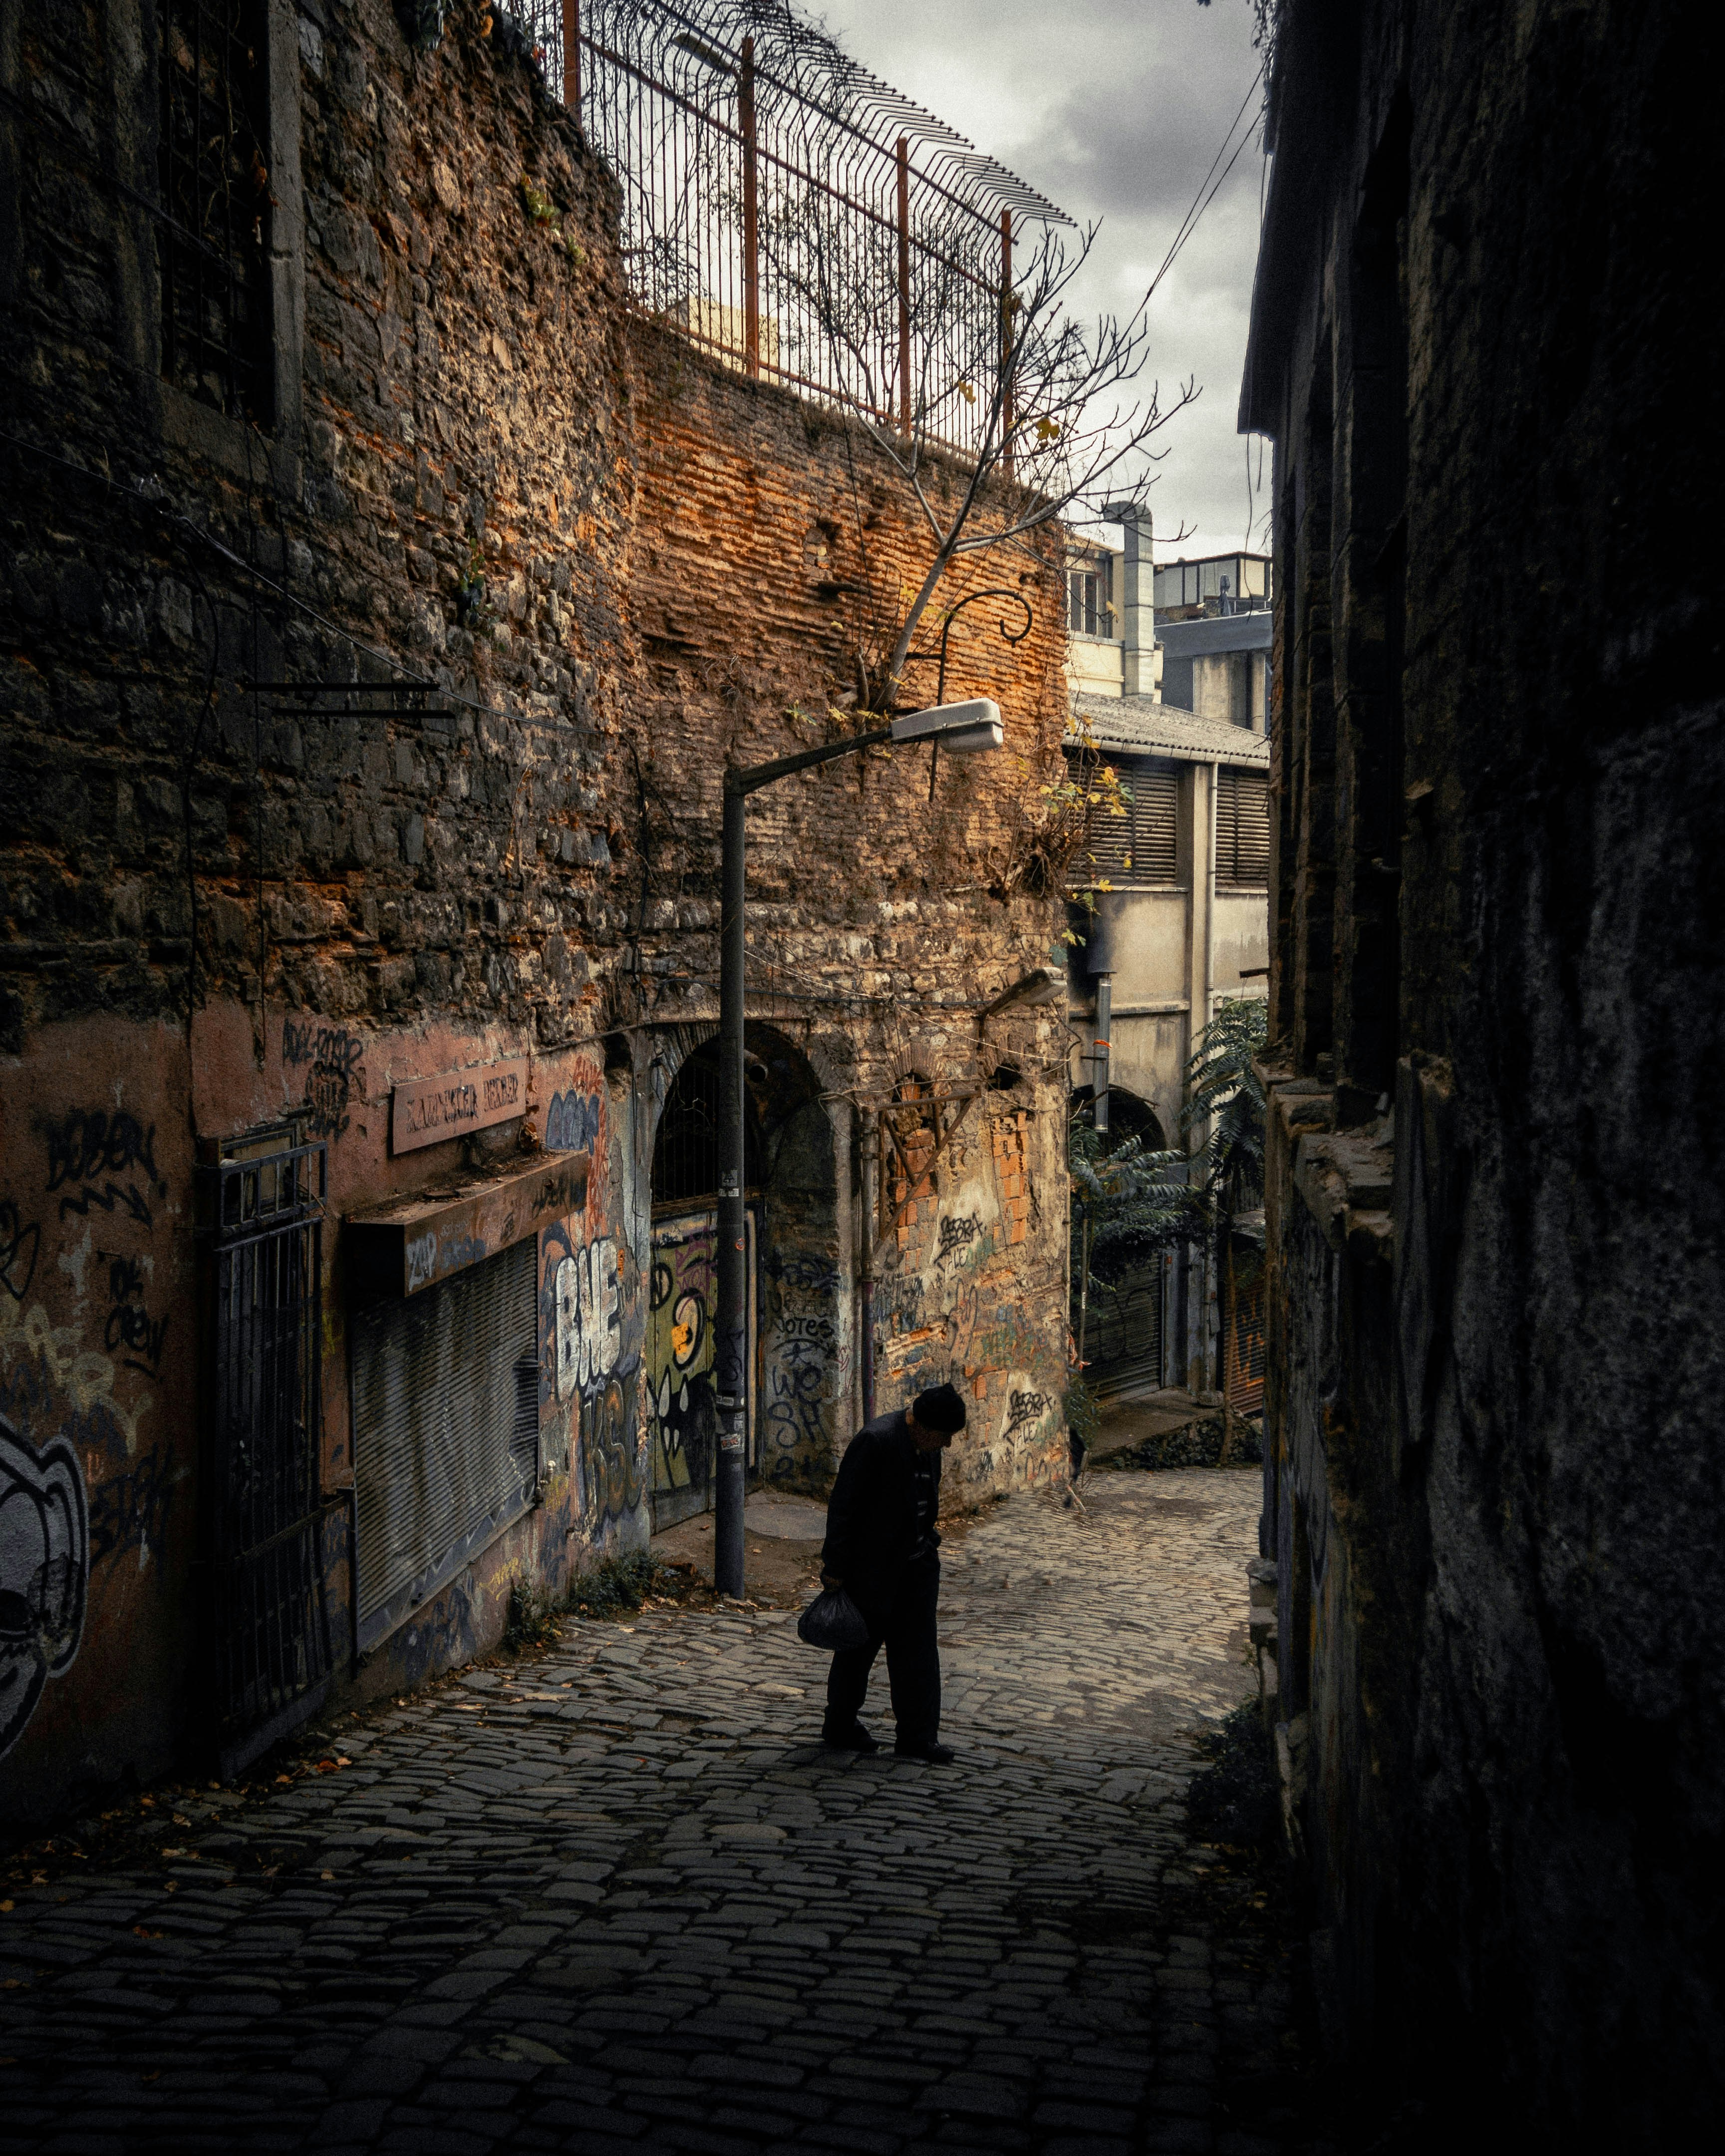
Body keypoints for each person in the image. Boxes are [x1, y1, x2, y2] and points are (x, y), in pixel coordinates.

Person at [818, 1381, 966, 1764]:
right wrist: (835, 1568)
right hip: (872, 1571)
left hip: (916, 1566)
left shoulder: (927, 1445)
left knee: (917, 1656)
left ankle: (918, 1737)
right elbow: (844, 1507)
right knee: (856, 1651)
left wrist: (927, 1545)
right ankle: (840, 1726)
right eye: (944, 1436)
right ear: (921, 1425)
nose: (947, 1446)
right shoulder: (876, 1442)